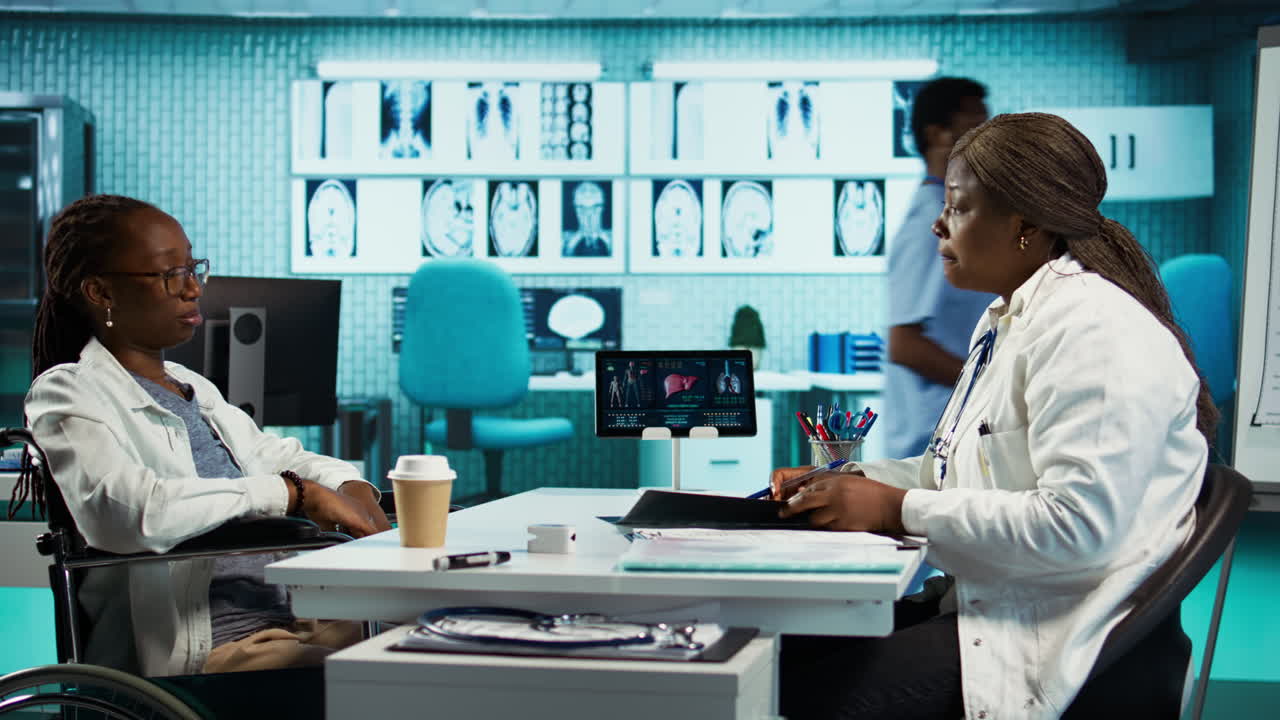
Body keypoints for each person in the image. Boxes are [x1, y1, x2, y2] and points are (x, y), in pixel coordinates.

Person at [769, 113, 1216, 719]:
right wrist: (853, 484)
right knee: (775, 655)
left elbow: (1079, 526)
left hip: (1055, 641)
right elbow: (950, 472)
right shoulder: (1007, 322)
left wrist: (894, 509)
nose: (937, 222)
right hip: (999, 606)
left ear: (1024, 225)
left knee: (790, 694)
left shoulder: (1096, 330)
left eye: (957, 206)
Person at [17, 194, 392, 677]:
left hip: (290, 616)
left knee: (451, 641)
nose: (192, 288)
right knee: (396, 682)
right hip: (213, 645)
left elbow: (276, 454)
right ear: (101, 292)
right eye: (170, 275)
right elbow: (129, 512)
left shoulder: (191, 386)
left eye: (193, 268)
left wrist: (349, 489)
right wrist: (290, 494)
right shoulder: (67, 391)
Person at [884, 77, 995, 459]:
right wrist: (990, 384)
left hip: (958, 432)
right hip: (930, 440)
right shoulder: (928, 223)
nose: (989, 141)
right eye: (976, 127)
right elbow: (904, 344)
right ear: (938, 135)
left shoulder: (959, 214)